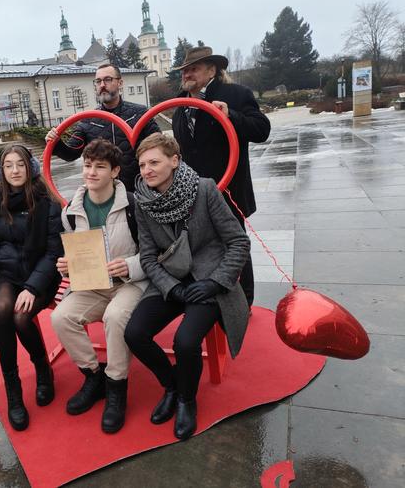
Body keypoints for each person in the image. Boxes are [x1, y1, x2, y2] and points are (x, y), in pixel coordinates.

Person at [123, 133, 250, 441]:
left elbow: (237, 241)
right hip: (171, 281)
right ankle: (172, 386)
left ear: (174, 160)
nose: (147, 170)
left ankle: (186, 401)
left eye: (154, 162)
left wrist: (215, 282)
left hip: (208, 279)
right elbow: (148, 257)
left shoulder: (204, 189)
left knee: (186, 341)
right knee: (134, 333)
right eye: (142, 164)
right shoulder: (143, 201)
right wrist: (171, 287)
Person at [0, 145, 64, 431]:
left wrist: (32, 288)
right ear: (1, 171)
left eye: (20, 164)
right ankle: (13, 390)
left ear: (30, 167)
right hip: (8, 273)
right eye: (9, 166)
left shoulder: (46, 201)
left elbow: (54, 253)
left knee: (21, 316)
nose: (15, 170)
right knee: (3, 309)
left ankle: (42, 368)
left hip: (41, 276)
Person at [51, 138, 148, 434]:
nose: (91, 172)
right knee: (61, 317)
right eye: (88, 165)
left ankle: (117, 386)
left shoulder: (133, 204)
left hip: (129, 283)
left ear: (115, 171)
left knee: (116, 317)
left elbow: (156, 251)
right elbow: (73, 249)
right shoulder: (71, 210)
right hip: (92, 285)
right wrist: (66, 263)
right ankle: (94, 376)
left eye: (100, 167)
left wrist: (130, 265)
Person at [171, 46, 270, 307]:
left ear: (212, 69)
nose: (187, 74)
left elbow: (261, 130)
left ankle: (245, 300)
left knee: (236, 243)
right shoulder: (180, 105)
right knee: (204, 246)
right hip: (195, 194)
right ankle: (211, 296)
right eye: (185, 70)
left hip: (229, 189)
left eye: (194, 68)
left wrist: (232, 116)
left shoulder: (235, 95)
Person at [45, 63, 161, 192]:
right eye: (98, 81)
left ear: (120, 83)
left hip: (141, 191)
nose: (102, 85)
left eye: (107, 79)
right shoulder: (88, 120)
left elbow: (160, 147)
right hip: (106, 195)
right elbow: (71, 153)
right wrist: (56, 143)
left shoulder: (139, 113)